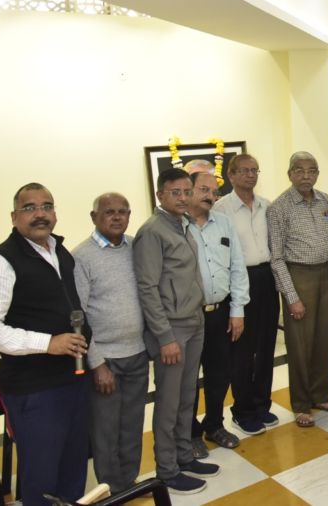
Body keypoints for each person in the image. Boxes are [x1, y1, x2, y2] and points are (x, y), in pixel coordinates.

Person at [0, 183, 92, 506]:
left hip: (74, 378)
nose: (40, 214)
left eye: (47, 206)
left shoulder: (59, 251)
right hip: (35, 389)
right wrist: (47, 343)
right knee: (42, 477)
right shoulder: (0, 262)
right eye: (29, 208)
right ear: (14, 217)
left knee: (73, 467)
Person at [134, 168, 217, 495]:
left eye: (187, 191)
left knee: (186, 398)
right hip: (171, 330)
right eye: (175, 192)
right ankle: (167, 470)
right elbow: (147, 288)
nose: (183, 198)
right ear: (160, 195)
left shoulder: (182, 225)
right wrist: (165, 337)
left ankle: (184, 456)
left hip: (193, 322)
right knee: (168, 403)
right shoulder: (152, 232)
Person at [72, 192, 148, 497]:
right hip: (105, 359)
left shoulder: (135, 247)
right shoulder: (81, 257)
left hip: (137, 353)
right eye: (109, 212)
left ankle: (128, 482)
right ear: (94, 217)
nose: (117, 217)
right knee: (106, 430)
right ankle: (111, 490)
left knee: (132, 424)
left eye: (123, 211)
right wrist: (97, 363)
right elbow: (78, 317)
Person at [267, 151, 328, 428]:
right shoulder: (279, 208)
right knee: (300, 345)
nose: (305, 176)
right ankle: (301, 404)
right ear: (289, 174)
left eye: (311, 170)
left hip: (326, 274)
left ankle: (321, 395)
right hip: (298, 276)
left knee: (325, 339)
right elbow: (276, 257)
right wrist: (291, 296)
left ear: (317, 174)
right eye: (299, 170)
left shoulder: (326, 201)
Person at [215, 154, 281, 435]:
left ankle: (262, 404)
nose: (250, 175)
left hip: (267, 276)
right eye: (244, 170)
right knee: (242, 350)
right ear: (230, 175)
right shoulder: (221, 209)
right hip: (239, 281)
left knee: (267, 345)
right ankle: (242, 411)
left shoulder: (267, 205)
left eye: (254, 170)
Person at [186, 172, 249, 454]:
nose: (210, 196)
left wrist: (237, 311)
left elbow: (237, 267)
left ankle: (214, 425)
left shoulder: (223, 223)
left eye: (214, 191)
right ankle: (190, 433)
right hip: (189, 316)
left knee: (220, 374)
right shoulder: (177, 227)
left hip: (220, 313)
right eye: (204, 189)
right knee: (188, 379)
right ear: (187, 191)